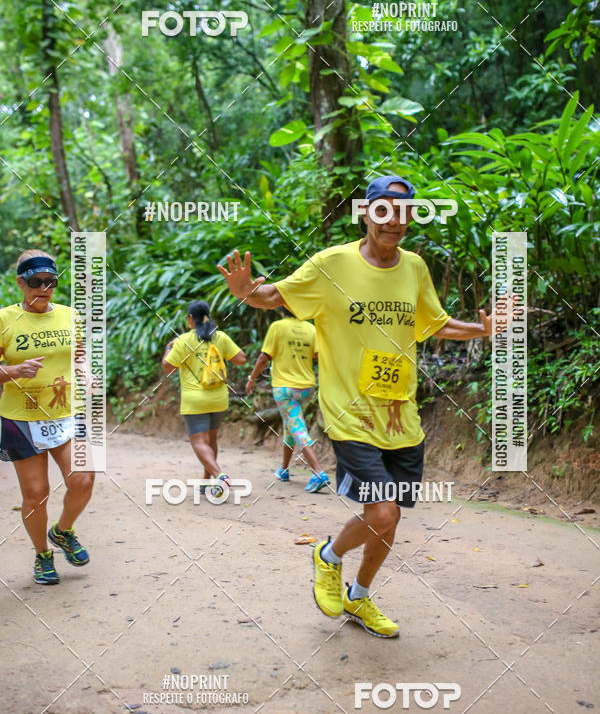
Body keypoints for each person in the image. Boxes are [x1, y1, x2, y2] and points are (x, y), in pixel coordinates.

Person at [218, 175, 504, 638]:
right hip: (349, 415)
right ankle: (327, 556)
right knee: (383, 513)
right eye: (384, 211)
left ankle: (359, 598)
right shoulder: (332, 264)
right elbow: (274, 296)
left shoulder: (414, 268)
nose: (394, 221)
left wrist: (482, 330)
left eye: (403, 211)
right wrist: (245, 291)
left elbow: (435, 324)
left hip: (401, 417)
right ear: (367, 214)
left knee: (387, 523)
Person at [0, 250, 94, 585]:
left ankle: (63, 531)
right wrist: (14, 370)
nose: (44, 288)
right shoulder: (4, 319)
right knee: (36, 493)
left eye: (50, 282)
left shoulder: (69, 315)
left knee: (83, 479)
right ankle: (42, 554)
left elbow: (79, 355)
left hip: (66, 411)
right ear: (20, 282)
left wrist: (85, 373)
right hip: (19, 418)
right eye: (36, 282)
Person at [162, 300, 246, 493]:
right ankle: (207, 481)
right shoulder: (221, 337)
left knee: (199, 442)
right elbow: (241, 359)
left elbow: (167, 367)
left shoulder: (183, 340)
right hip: (219, 399)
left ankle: (220, 476)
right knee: (211, 440)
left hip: (195, 401)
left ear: (190, 319)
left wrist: (169, 347)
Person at [246, 305, 329, 492]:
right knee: (290, 424)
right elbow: (319, 357)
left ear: (282, 311)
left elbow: (263, 358)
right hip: (307, 389)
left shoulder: (277, 327)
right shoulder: (310, 328)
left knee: (297, 428)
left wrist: (251, 379)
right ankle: (284, 469)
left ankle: (318, 472)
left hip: (284, 389)